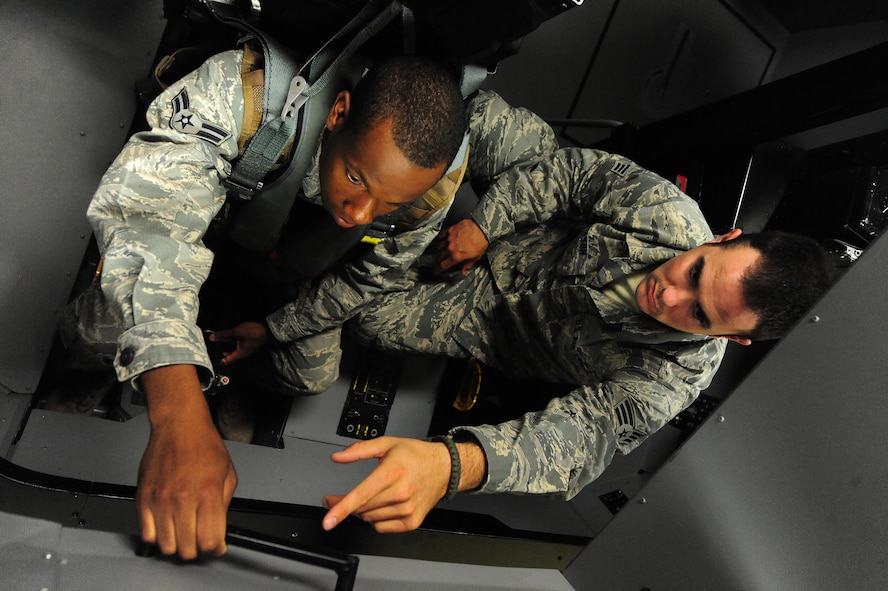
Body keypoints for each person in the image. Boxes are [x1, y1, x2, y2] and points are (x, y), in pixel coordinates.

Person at [215, 89, 832, 534]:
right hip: (523, 226)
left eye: (699, 315)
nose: (669, 298)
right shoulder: (665, 214)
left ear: (733, 342)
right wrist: (484, 225)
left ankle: (291, 273)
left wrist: (454, 464)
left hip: (490, 319)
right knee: (481, 120)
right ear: (721, 239)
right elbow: (571, 176)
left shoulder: (672, 380)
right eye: (694, 273)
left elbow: (577, 440)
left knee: (365, 321)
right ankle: (306, 138)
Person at [53, 46, 469, 560]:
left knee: (312, 375)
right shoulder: (243, 97)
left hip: (280, 267)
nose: (361, 214)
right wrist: (179, 414)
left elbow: (366, 281)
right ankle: (78, 384)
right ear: (338, 114)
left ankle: (230, 376)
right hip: (201, 221)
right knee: (100, 332)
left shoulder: (428, 192)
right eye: (357, 178)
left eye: (390, 204)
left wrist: (273, 329)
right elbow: (149, 223)